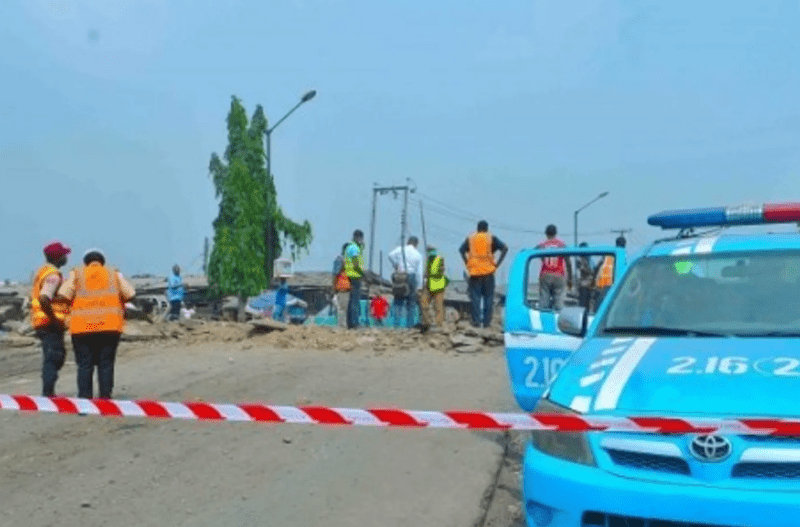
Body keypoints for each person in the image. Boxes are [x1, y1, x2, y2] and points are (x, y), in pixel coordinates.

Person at [58, 249, 136, 399]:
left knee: (84, 365)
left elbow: (63, 294)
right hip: (109, 326)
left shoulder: (77, 274)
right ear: (102, 262)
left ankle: (85, 400)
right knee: (105, 365)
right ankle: (105, 399)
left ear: (85, 263)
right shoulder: (114, 274)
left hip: (82, 328)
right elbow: (131, 294)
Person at [30, 241, 72, 397]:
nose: (66, 258)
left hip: (42, 322)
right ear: (58, 257)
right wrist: (53, 318)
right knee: (54, 357)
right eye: (64, 255)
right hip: (49, 323)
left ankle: (48, 389)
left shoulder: (43, 272)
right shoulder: (53, 275)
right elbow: (44, 298)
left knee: (54, 356)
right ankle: (48, 393)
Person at [460, 221, 508, 328]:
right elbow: (505, 248)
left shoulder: (471, 238)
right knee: (489, 298)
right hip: (488, 272)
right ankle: (487, 323)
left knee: (475, 298)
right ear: (487, 229)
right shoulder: (491, 238)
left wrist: (468, 263)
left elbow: (461, 250)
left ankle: (476, 322)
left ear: (477, 229)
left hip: (475, 273)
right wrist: (497, 264)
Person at [388, 236, 424, 328]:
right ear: (416, 244)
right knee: (411, 303)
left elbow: (390, 255)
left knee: (398, 301)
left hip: (400, 275)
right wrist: (419, 286)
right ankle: (410, 326)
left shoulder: (400, 249)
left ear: (408, 242)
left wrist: (396, 265)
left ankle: (396, 325)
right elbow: (419, 273)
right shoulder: (418, 254)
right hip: (411, 276)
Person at [537, 224, 573, 311]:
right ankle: (558, 319)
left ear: (546, 233)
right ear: (556, 233)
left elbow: (534, 252)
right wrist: (570, 279)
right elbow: (568, 262)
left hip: (545, 273)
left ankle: (543, 318)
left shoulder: (542, 244)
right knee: (559, 300)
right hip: (559, 274)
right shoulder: (561, 244)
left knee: (544, 300)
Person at [594, 236, 626, 310]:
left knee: (600, 307)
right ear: (624, 244)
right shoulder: (621, 255)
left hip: (601, 284)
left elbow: (598, 266)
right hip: (611, 284)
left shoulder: (608, 253)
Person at [420, 245, 448, 329]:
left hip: (438, 285)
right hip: (429, 284)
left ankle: (438, 324)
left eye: (431, 250)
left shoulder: (439, 259)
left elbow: (438, 271)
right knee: (423, 302)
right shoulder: (428, 261)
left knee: (438, 305)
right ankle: (427, 322)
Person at [343, 230, 366, 329]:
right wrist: (363, 273)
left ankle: (351, 322)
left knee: (352, 300)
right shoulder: (354, 248)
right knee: (355, 301)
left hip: (350, 274)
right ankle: (354, 323)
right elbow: (356, 263)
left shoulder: (350, 246)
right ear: (359, 237)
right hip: (355, 275)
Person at [332, 243, 350, 323]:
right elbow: (335, 274)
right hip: (342, 287)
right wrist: (333, 287)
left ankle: (342, 325)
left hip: (344, 287)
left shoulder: (347, 260)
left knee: (342, 309)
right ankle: (341, 326)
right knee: (342, 309)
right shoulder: (341, 260)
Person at [576, 242, 595, 311]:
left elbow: (592, 270)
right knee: (584, 303)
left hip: (587, 284)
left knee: (585, 303)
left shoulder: (588, 260)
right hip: (584, 284)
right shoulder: (581, 260)